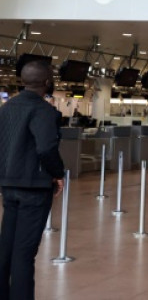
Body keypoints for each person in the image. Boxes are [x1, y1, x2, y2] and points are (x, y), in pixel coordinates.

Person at [0, 59, 66, 299]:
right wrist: (58, 173)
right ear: (47, 83)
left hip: (8, 186)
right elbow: (46, 148)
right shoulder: (43, 111)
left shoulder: (6, 109)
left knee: (6, 249)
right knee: (24, 253)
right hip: (34, 188)